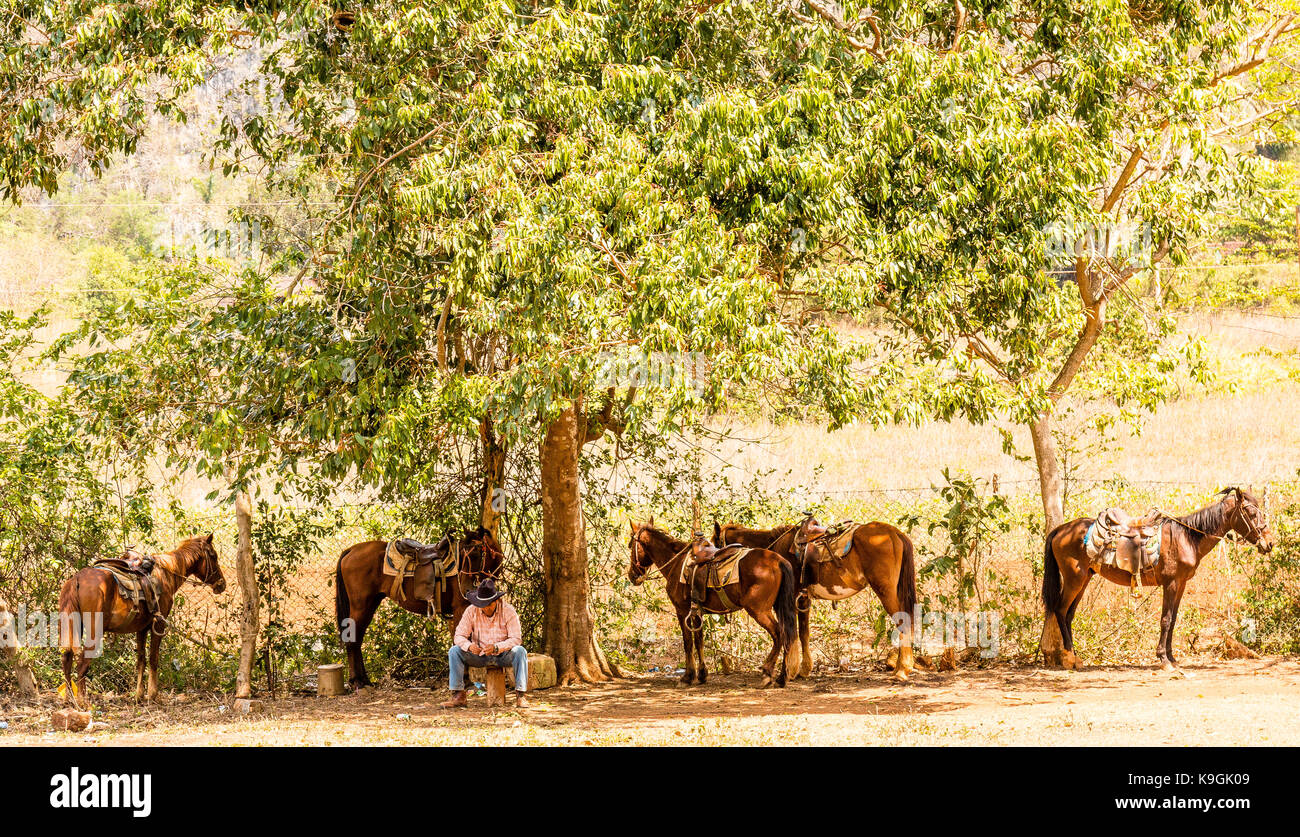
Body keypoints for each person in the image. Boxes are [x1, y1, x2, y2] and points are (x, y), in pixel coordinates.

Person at [441, 578, 528, 708]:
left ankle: (521, 696)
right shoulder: (471, 610)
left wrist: (497, 647)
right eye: (482, 605)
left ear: (497, 601)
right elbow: (458, 636)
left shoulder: (509, 611)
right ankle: (459, 696)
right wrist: (469, 646)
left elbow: (516, 639)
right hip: (479, 656)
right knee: (454, 651)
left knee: (520, 651)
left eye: (489, 604)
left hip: (503, 655)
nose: (485, 608)